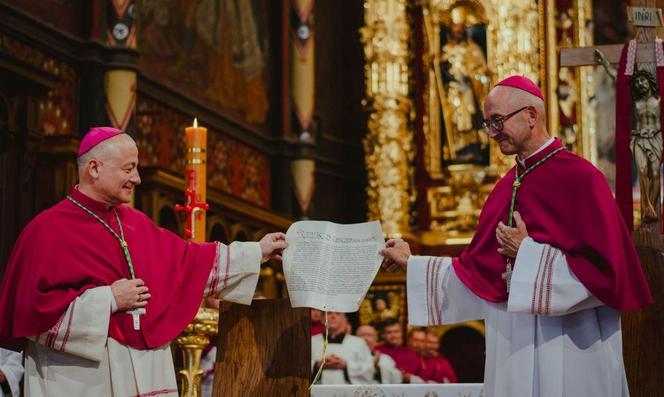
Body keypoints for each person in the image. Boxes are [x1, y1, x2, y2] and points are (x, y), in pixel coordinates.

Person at [381, 76, 653, 397]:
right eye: (488, 124)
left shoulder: (581, 179)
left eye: (498, 121)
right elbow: (476, 275)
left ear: (531, 116)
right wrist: (412, 262)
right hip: (513, 346)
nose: (492, 133)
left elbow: (608, 274)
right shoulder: (504, 189)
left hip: (571, 346)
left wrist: (528, 253)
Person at [0, 127, 287, 396]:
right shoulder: (47, 230)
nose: (137, 178)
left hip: (145, 372)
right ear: (94, 168)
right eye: (128, 168)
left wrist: (257, 251)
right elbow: (32, 313)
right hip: (81, 380)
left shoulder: (136, 224)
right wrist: (109, 299)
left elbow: (192, 262)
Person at [311, 312, 374, 384]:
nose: (333, 316)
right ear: (322, 319)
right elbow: (299, 369)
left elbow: (369, 370)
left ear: (345, 319)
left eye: (338, 314)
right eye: (328, 313)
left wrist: (346, 365)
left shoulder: (358, 343)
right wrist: (317, 365)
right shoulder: (311, 342)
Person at [374, 318, 423, 384]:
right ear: (383, 335)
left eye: (396, 331)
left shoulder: (411, 354)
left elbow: (420, 379)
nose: (393, 335)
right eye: (389, 332)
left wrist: (409, 377)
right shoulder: (376, 352)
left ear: (401, 333)